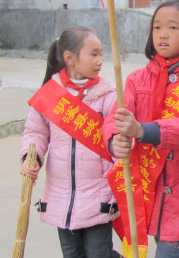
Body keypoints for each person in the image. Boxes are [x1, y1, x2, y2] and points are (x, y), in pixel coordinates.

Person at [105, 0, 179, 257]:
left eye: (172, 27)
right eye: (157, 27)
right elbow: (116, 117)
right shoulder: (137, 79)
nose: (163, 34)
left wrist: (142, 131)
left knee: (170, 250)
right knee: (170, 249)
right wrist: (115, 139)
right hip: (147, 178)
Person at [20, 26, 121, 258]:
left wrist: (120, 143)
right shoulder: (49, 93)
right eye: (93, 54)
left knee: (98, 254)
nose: (100, 61)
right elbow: (35, 133)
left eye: (101, 54)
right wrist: (31, 157)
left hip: (99, 197)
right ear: (70, 58)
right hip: (60, 198)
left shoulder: (109, 94)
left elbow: (115, 131)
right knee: (72, 254)